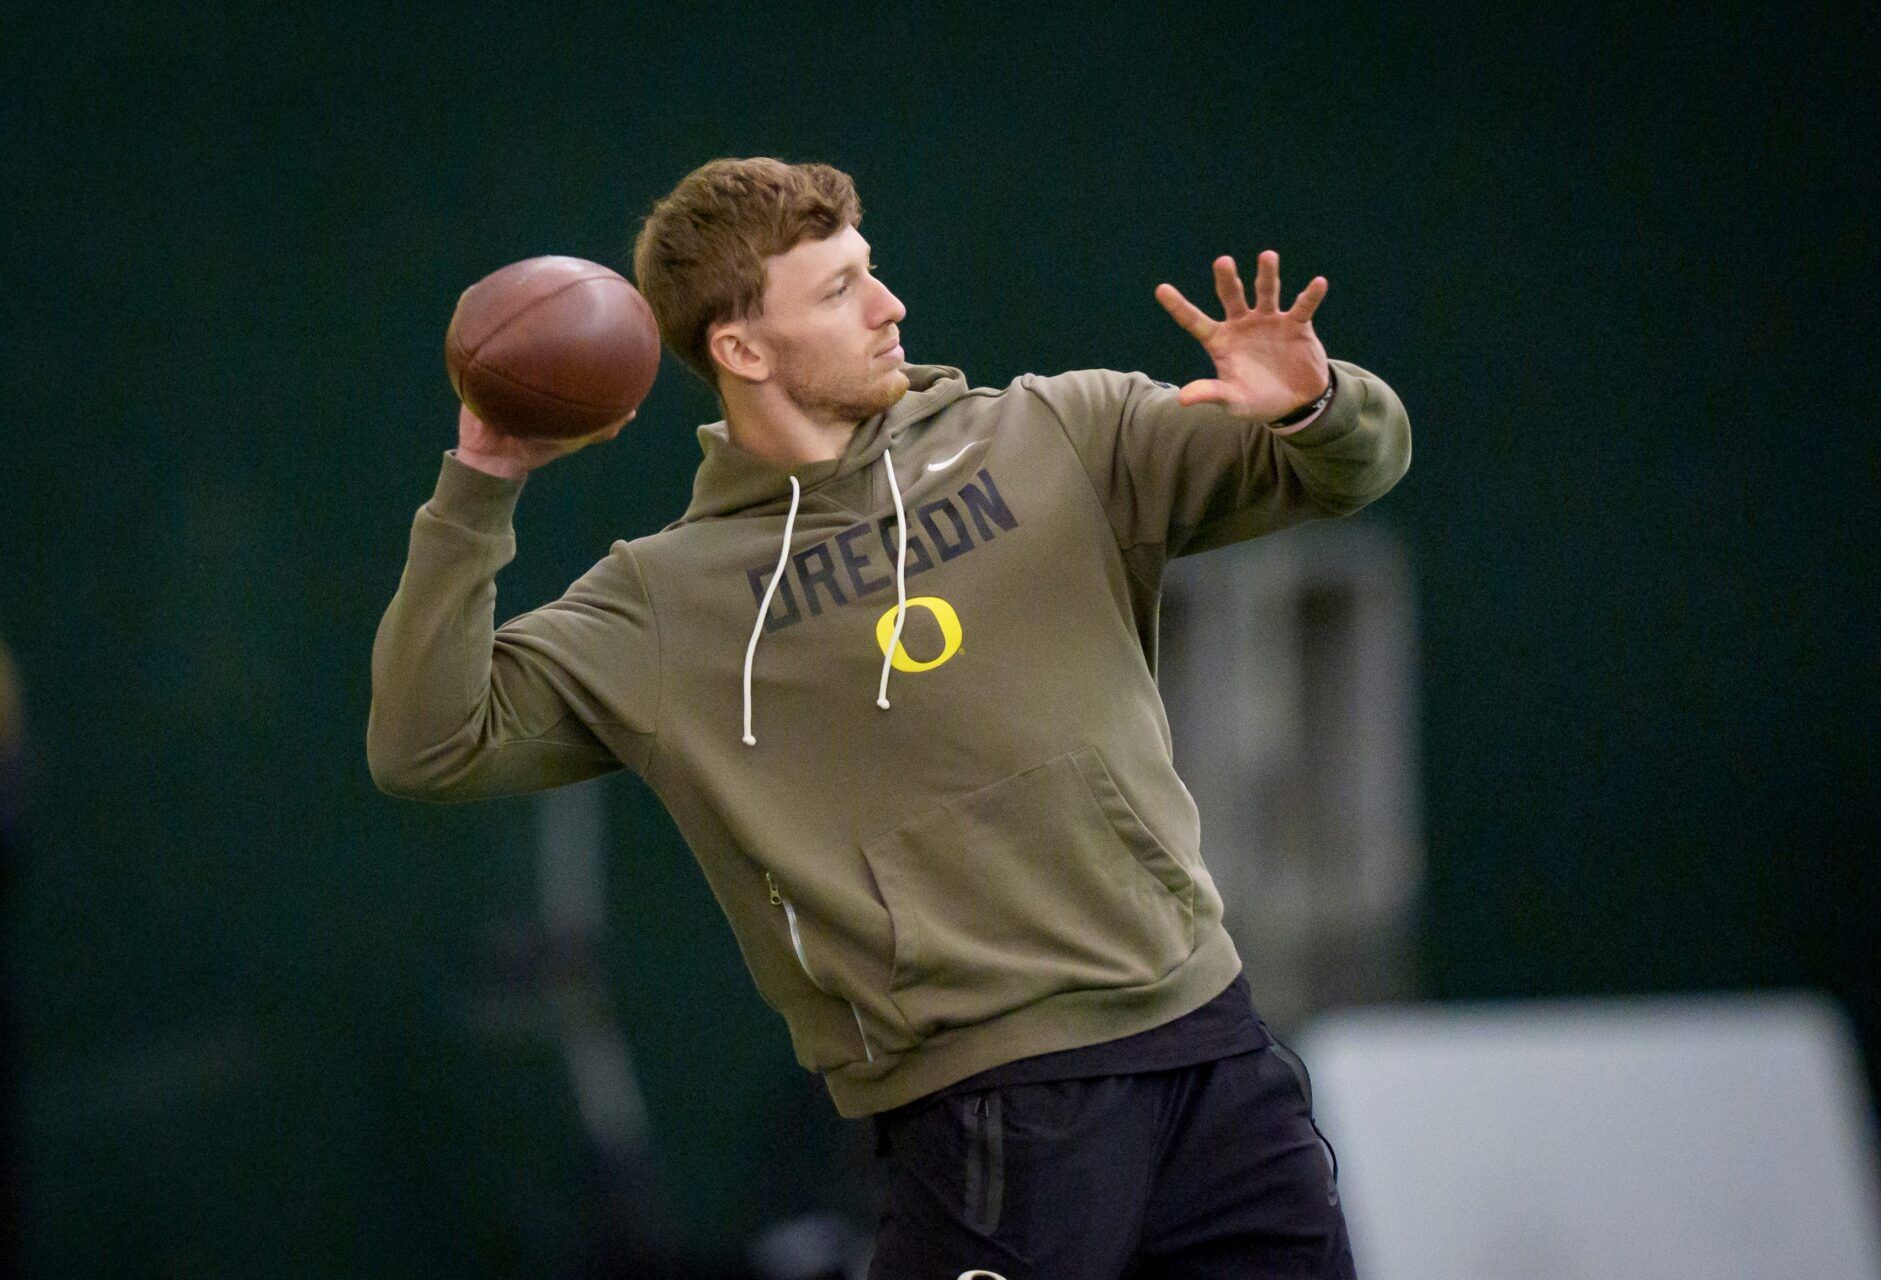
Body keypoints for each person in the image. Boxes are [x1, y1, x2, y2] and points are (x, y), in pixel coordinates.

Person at [369, 157, 1410, 1278]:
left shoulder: (1060, 431)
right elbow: (430, 743)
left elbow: (1351, 469)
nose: (889, 305)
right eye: (837, 291)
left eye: (873, 271)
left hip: (1214, 1049)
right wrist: (482, 476)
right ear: (742, 349)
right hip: (986, 1101)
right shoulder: (669, 599)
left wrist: (1314, 405)